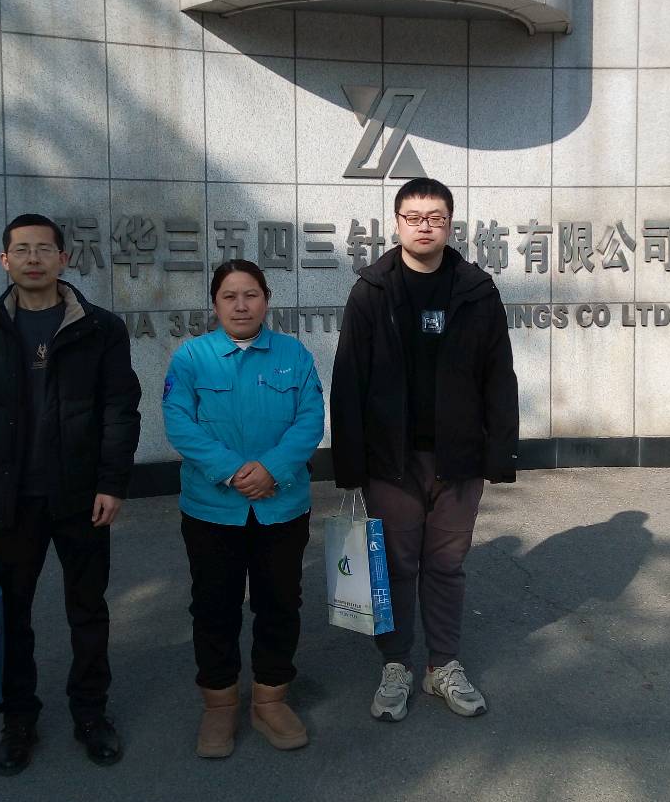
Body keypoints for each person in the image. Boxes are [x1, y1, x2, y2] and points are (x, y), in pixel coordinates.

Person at [0, 213, 141, 776]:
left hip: (81, 497)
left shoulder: (101, 329)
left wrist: (112, 483)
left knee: (88, 610)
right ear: (4, 260)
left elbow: (119, 411)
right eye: (21, 250)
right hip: (10, 500)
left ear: (64, 258)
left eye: (44, 249)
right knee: (13, 613)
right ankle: (18, 719)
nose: (33, 259)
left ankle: (91, 713)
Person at [331, 177, 518, 722]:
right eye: (413, 217)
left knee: (447, 564)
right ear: (396, 224)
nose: (424, 227)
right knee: (394, 564)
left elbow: (498, 377)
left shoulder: (477, 291)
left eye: (435, 217)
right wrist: (349, 465)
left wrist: (500, 453)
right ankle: (395, 665)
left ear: (450, 223)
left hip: (459, 459)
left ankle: (442, 665)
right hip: (391, 460)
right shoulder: (372, 291)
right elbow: (349, 380)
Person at [162, 260, 325, 758]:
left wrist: (272, 469)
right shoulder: (191, 358)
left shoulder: (294, 355)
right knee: (214, 605)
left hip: (282, 506)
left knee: (280, 602)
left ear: (266, 300)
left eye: (251, 295)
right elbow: (179, 423)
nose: (240, 305)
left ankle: (271, 699)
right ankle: (220, 704)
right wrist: (234, 472)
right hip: (213, 509)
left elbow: (310, 419)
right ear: (214, 304)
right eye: (229, 296)